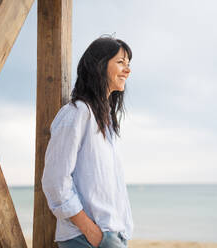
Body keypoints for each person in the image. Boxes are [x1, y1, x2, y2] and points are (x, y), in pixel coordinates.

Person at [42, 36, 133, 248]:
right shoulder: (77, 113)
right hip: (86, 238)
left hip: (110, 236)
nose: (127, 70)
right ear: (99, 66)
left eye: (128, 64)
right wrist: (90, 230)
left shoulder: (106, 121)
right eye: (121, 62)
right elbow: (56, 179)